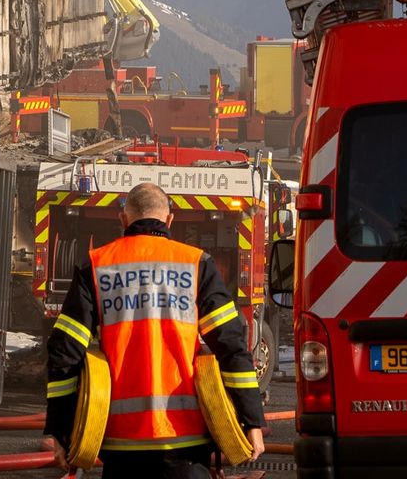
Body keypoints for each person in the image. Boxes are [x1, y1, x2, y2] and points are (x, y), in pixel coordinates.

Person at [44, 182, 266, 478]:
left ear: (123, 220)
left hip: (121, 443)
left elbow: (64, 353)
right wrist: (252, 422)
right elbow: (231, 347)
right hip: (186, 442)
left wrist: (60, 431)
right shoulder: (196, 264)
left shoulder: (96, 266)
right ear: (170, 220)